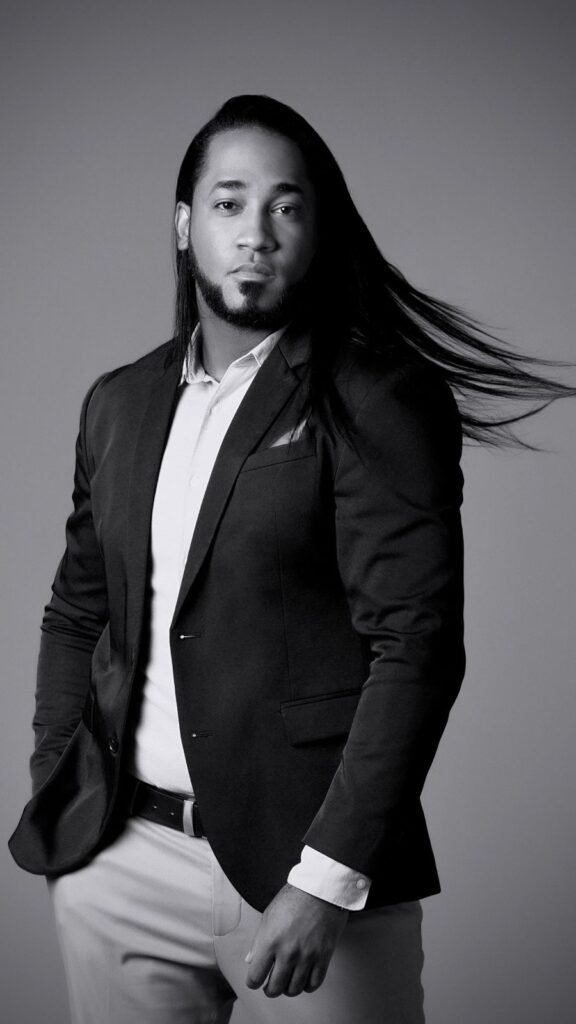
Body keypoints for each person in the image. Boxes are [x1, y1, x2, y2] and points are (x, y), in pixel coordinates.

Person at [9, 95, 574, 1024]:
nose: (256, 234)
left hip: (306, 878)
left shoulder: (375, 396)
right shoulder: (118, 403)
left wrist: (328, 880)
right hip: (122, 864)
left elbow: (417, 645)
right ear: (185, 225)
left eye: (286, 206)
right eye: (229, 203)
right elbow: (78, 611)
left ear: (317, 230)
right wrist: (57, 791)